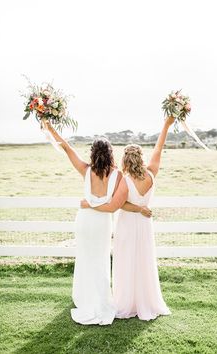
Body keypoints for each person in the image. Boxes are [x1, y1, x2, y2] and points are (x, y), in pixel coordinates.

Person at [81, 116, 174, 321]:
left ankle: (125, 303)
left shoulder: (124, 180)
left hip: (127, 225)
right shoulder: (151, 174)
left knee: (125, 263)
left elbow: (117, 205)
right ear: (141, 158)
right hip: (144, 225)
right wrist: (166, 125)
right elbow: (159, 148)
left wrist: (90, 203)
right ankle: (147, 301)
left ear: (125, 159)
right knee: (144, 261)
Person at [43, 121, 126, 325]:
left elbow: (66, 146)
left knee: (86, 259)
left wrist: (48, 126)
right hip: (102, 222)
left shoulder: (85, 170)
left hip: (85, 220)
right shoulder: (118, 175)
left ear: (93, 152)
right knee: (100, 261)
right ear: (110, 153)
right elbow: (115, 204)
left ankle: (87, 300)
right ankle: (100, 301)